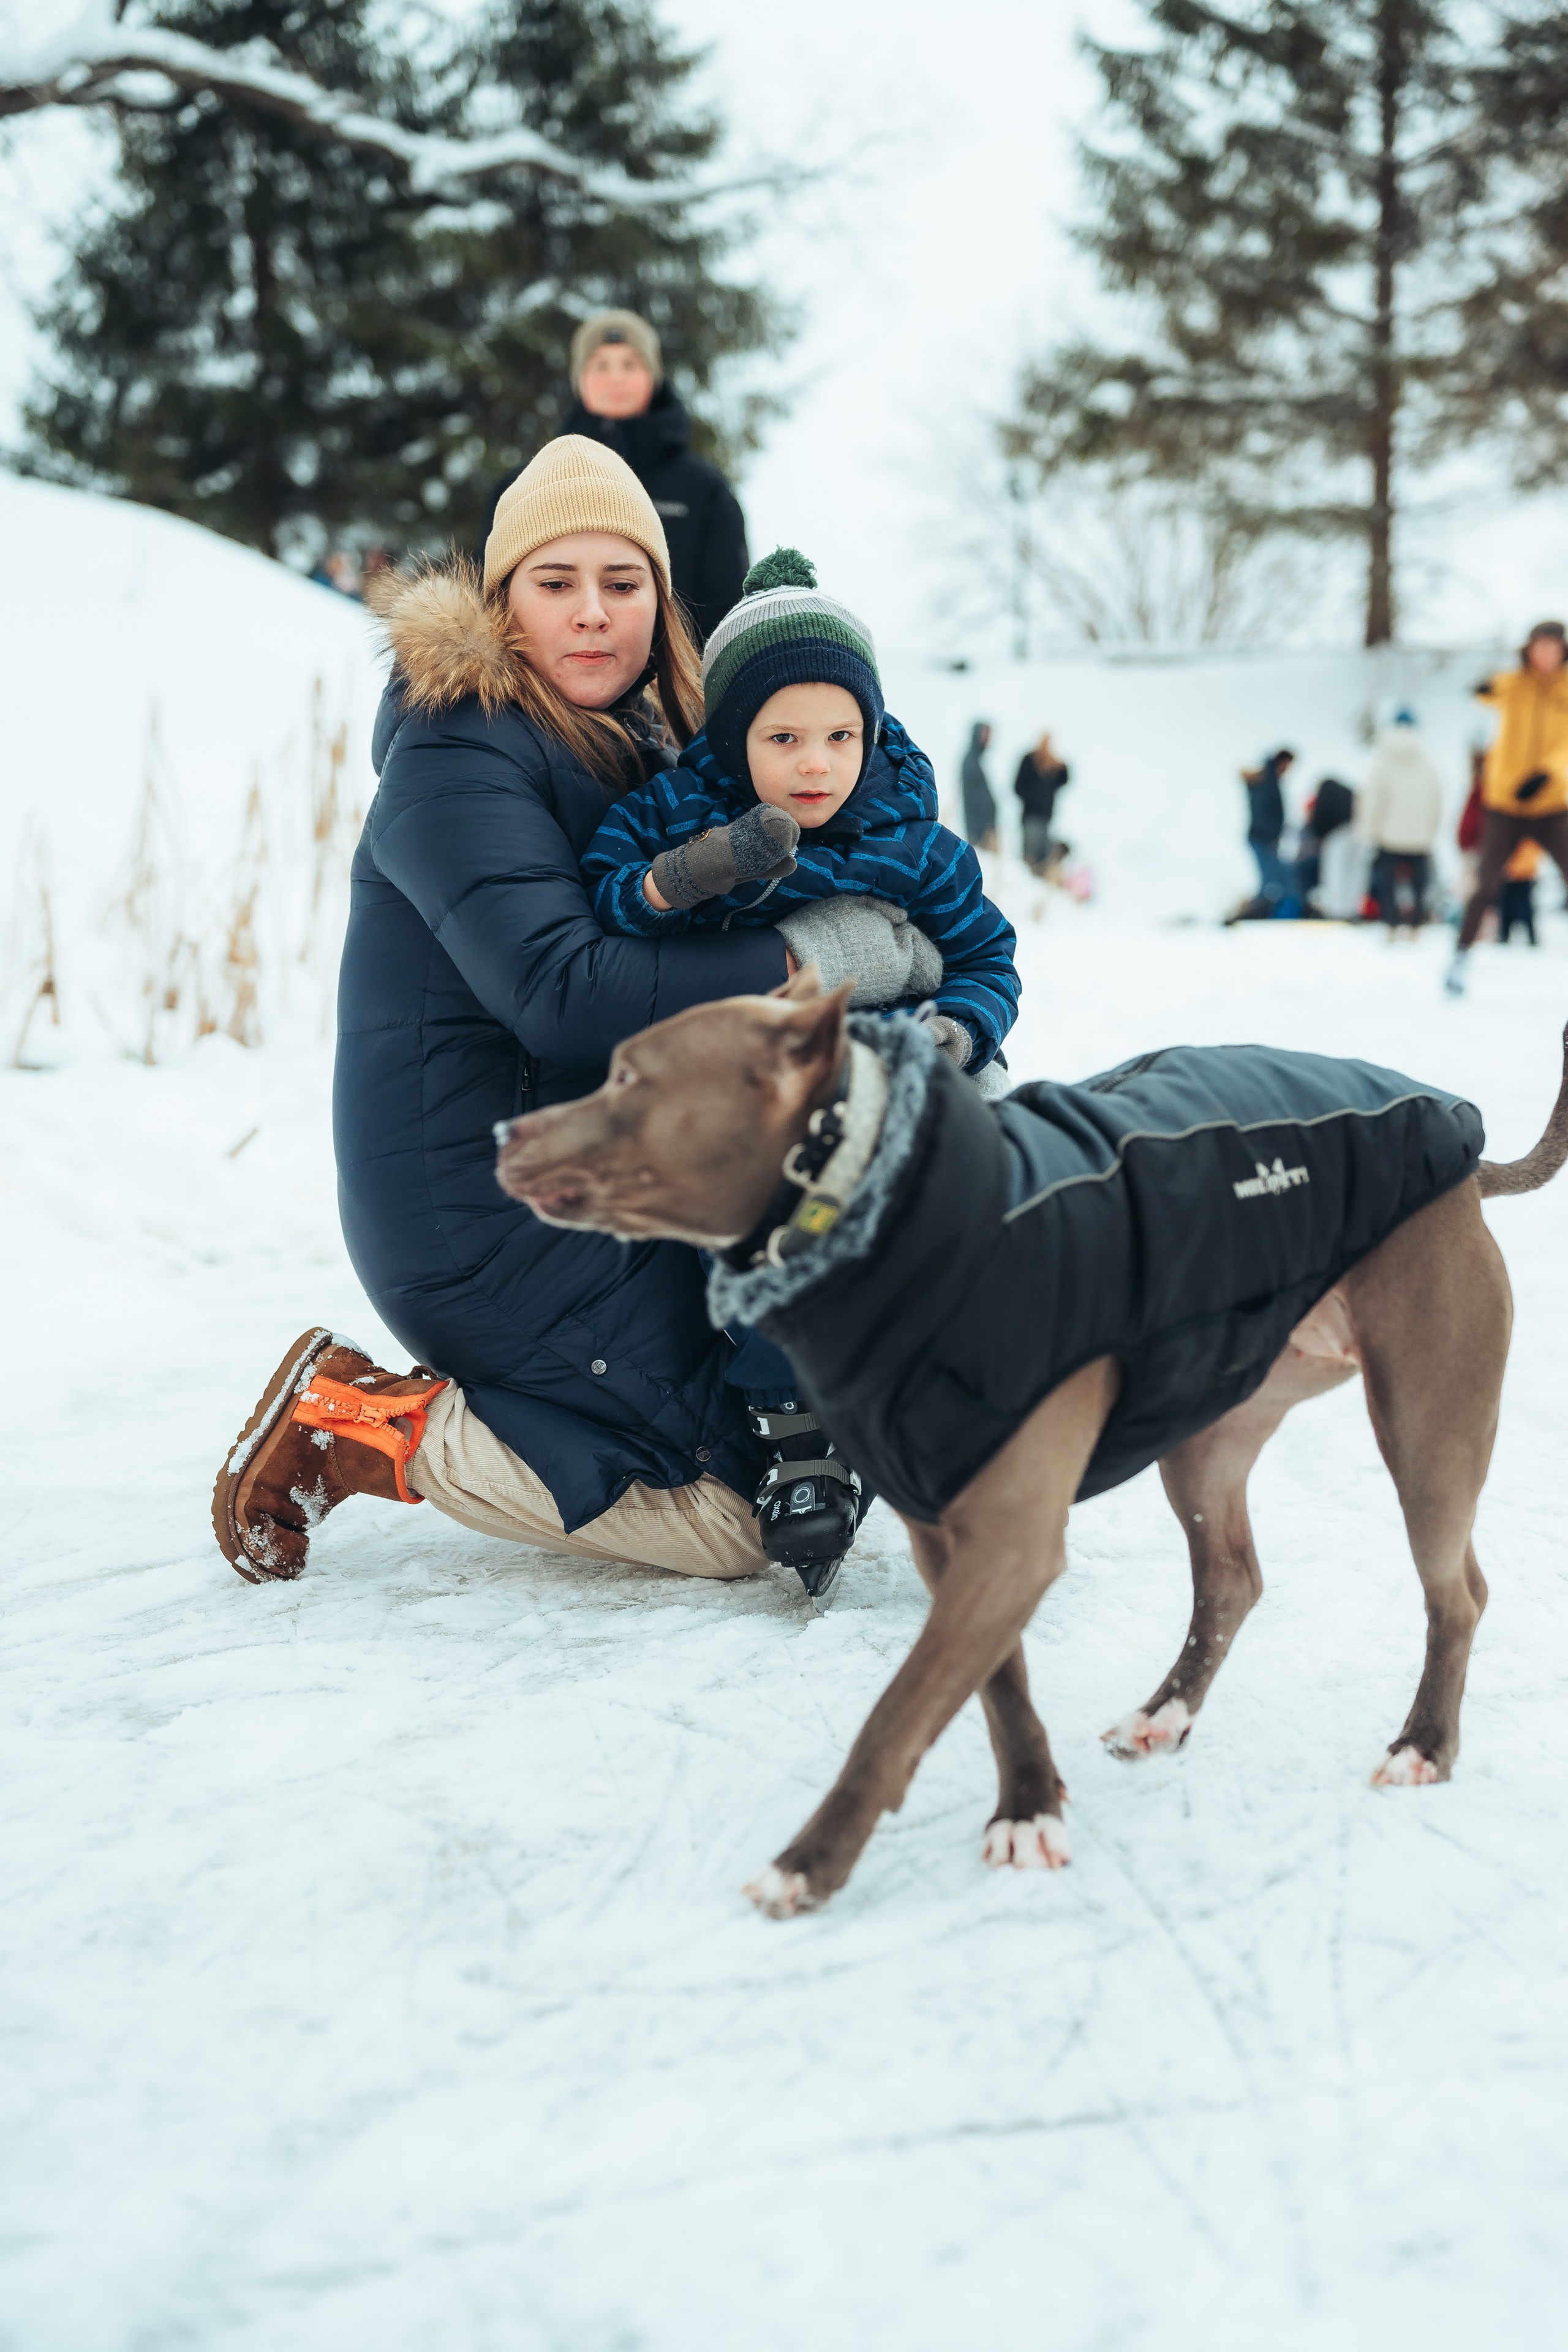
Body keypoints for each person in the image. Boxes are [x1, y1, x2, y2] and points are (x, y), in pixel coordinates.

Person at [212, 437, 931, 1594]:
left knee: (821, 1433)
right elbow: (561, 995)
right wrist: (815, 959)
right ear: (506, 601)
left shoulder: (640, 743)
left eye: (623, 582)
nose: (594, 612)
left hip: (615, 1159)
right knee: (739, 1521)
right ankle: (361, 1425)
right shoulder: (455, 753)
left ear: (660, 601)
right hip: (486, 1209)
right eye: (557, 583)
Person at [582, 546, 1021, 1595]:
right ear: (735, 737)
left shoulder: (914, 842)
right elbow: (608, 894)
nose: (816, 764)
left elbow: (989, 957)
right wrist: (694, 875)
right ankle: (800, 1442)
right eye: (783, 739)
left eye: (840, 736)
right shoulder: (682, 811)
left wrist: (957, 1033)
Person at [475, 309, 748, 646]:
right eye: (601, 366)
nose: (616, 378)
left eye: (630, 365)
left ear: (653, 377)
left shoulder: (704, 489)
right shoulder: (523, 486)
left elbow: (728, 606)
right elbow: (489, 600)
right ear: (580, 379)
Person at [1448, 620, 1568, 993]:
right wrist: (1482, 688)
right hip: (1505, 802)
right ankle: (1459, 958)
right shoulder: (1515, 684)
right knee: (1486, 882)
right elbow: (1489, 691)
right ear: (1529, 650)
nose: (1545, 654)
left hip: (1550, 803)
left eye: (1552, 647)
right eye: (1538, 646)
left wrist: (1548, 773)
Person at [1354, 708, 1444, 935]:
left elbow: (1372, 798)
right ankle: (1416, 924)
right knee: (1419, 882)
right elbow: (1437, 799)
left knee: (1387, 882)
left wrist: (1368, 831)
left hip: (1389, 835)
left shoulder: (1382, 759)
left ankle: (1392, 923)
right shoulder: (1428, 760)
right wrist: (1432, 830)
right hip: (1420, 836)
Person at [1237, 747, 1296, 914]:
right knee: (1269, 879)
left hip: (1264, 837)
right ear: (1282, 761)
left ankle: (1266, 910)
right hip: (1261, 837)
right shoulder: (1265, 779)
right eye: (1287, 766)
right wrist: (1271, 837)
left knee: (1273, 877)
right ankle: (1257, 911)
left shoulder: (1271, 779)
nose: (1287, 771)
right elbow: (1263, 811)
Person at [1013, 731, 1069, 875]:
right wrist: (1033, 798)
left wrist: (1062, 766)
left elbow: (1064, 780)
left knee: (1043, 855)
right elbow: (1018, 787)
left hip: (1046, 817)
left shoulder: (1052, 765)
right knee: (1031, 855)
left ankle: (1039, 880)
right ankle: (1027, 880)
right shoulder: (1029, 760)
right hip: (1031, 815)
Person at [960, 722, 998, 851]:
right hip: (979, 831)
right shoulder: (971, 761)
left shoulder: (976, 760)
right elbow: (974, 798)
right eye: (985, 735)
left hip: (983, 828)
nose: (988, 740)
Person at [1498, 838, 1540, 945]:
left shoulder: (1529, 838)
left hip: (1523, 876)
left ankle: (1531, 937)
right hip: (1510, 876)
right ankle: (1504, 935)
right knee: (1507, 908)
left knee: (1525, 909)